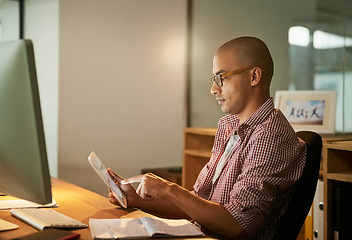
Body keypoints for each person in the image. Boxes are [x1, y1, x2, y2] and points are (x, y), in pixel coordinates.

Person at [108, 36, 307, 240]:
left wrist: (168, 189)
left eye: (222, 77)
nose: (213, 89)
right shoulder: (229, 126)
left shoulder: (269, 136)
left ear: (254, 77)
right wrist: (136, 200)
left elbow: (238, 224)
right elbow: (198, 204)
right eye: (214, 79)